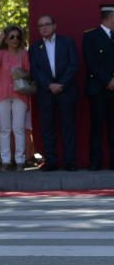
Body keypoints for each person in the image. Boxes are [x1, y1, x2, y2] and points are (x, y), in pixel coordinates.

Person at [29, 15, 79, 171]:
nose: (43, 27)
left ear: (54, 26)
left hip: (66, 90)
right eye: (40, 25)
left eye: (47, 24)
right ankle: (51, 161)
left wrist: (61, 84)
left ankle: (69, 162)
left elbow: (73, 64)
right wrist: (49, 85)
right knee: (47, 127)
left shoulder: (67, 42)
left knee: (68, 127)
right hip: (46, 92)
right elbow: (35, 70)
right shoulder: (35, 47)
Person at [0, 25, 31, 170]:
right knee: (4, 129)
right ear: (6, 39)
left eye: (18, 37)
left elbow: (29, 73)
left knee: (19, 128)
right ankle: (6, 160)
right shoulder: (0, 53)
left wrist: (21, 73)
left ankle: (20, 160)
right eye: (12, 36)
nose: (15, 39)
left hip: (20, 93)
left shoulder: (24, 54)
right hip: (2, 94)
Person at [82, 8, 114, 170]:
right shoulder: (91, 36)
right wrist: (108, 80)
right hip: (98, 88)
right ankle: (95, 163)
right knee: (97, 126)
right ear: (109, 17)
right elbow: (91, 61)